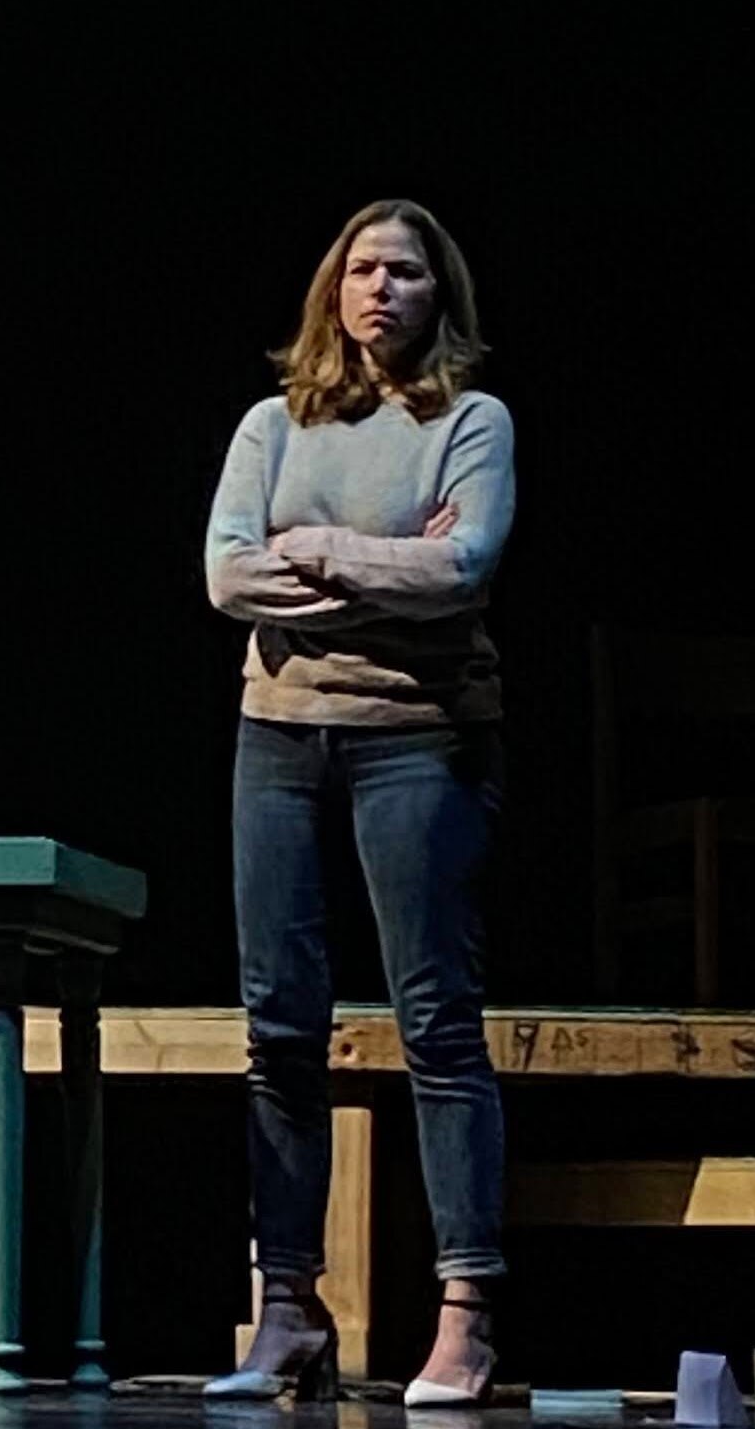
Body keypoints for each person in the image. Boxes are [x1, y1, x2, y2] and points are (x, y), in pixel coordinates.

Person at [201, 202, 515, 1404]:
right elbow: (228, 573)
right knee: (276, 1024)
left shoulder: (468, 422)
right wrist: (379, 565)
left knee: (435, 1015)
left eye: (405, 271)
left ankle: (465, 1310)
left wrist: (314, 551)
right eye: (361, 268)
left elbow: (465, 566)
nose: (379, 288)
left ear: (441, 295)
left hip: (417, 738)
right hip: (276, 736)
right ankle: (287, 1305)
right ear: (331, 288)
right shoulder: (270, 423)